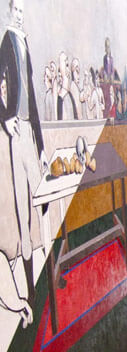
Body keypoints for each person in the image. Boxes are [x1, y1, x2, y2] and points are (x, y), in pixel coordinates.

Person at [0, 0, 50, 305]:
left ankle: (47, 272)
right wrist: (5, 115)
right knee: (22, 206)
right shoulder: (6, 40)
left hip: (31, 132)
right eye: (16, 12)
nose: (20, 18)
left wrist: (42, 146)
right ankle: (31, 288)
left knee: (41, 198)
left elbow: (30, 91)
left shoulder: (24, 41)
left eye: (23, 14)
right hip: (16, 134)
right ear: (8, 12)